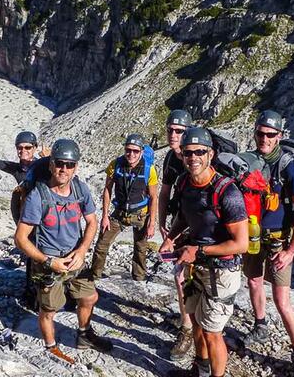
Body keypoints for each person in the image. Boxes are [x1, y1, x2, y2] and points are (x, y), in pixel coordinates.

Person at [14, 138, 112, 364]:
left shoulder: (80, 189)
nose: (64, 169)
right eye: (59, 163)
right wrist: (48, 261)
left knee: (90, 297)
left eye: (69, 165)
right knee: (49, 309)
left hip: (74, 256)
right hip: (49, 260)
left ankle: (84, 334)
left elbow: (92, 222)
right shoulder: (38, 196)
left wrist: (82, 250)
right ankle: (51, 347)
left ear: (76, 166)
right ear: (50, 164)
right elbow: (20, 238)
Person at [160, 128, 248, 377]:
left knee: (212, 332)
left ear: (211, 154)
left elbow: (241, 243)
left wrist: (197, 249)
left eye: (200, 152)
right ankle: (200, 370)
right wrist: (171, 237)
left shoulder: (227, 192)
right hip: (197, 267)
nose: (193, 157)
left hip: (221, 273)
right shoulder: (185, 183)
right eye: (188, 153)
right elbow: (187, 216)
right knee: (197, 322)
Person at [242, 111, 294, 377]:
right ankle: (260, 325)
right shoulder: (249, 161)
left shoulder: (288, 167)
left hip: (278, 241)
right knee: (253, 281)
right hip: (253, 234)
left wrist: (290, 251)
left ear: (279, 137)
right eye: (260, 133)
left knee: (282, 300)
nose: (264, 139)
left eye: (270, 135)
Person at [90, 133, 158, 281]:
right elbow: (107, 190)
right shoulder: (115, 165)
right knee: (101, 245)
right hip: (119, 213)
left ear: (141, 151)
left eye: (135, 151)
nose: (131, 154)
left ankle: (138, 279)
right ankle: (94, 277)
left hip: (140, 214)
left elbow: (153, 197)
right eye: (128, 150)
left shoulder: (149, 169)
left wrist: (152, 223)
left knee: (141, 248)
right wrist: (105, 216)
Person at [157, 109, 195, 360]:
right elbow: (164, 192)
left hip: (199, 225)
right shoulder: (171, 158)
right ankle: (188, 324)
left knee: (188, 276)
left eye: (179, 131)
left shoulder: (198, 155)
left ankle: (191, 327)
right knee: (180, 276)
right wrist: (161, 223)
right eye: (170, 129)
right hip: (179, 223)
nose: (173, 134)